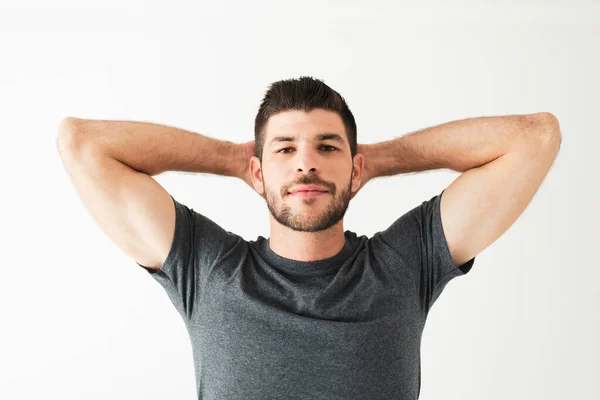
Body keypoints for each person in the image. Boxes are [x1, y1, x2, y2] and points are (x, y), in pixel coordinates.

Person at [56, 76, 561, 399]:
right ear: (258, 171)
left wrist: (379, 158)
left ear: (355, 168)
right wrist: (233, 160)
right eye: (285, 149)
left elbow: (535, 136)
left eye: (327, 146)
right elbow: (81, 142)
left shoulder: (405, 264)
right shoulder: (208, 269)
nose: (306, 162)